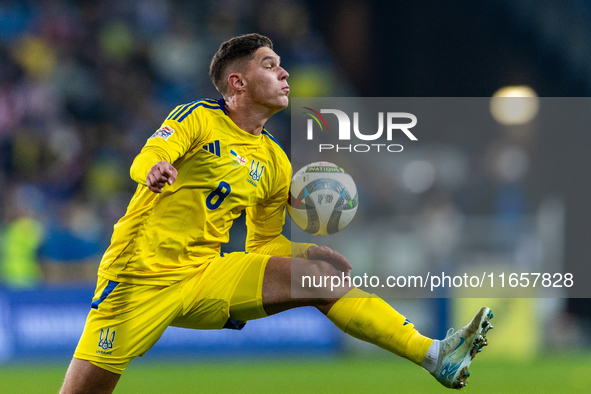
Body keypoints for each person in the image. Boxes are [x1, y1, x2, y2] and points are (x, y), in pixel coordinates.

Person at [60, 33, 493, 393]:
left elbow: (263, 244)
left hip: (207, 272)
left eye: (281, 65)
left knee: (321, 281)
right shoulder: (197, 118)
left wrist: (305, 254)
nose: (284, 73)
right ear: (238, 83)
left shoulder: (275, 162)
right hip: (140, 278)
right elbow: (149, 154)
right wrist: (154, 169)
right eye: (269, 65)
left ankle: (435, 355)